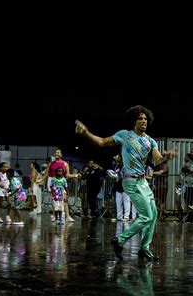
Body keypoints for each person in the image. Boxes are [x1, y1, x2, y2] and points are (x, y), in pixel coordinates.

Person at [75, 105, 176, 261]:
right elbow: (102, 142)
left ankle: (144, 249)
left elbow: (158, 160)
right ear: (134, 121)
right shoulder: (124, 135)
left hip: (142, 181)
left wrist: (167, 157)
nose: (144, 121)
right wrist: (86, 132)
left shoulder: (150, 141)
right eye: (140, 118)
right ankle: (120, 240)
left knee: (153, 214)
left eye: (146, 119)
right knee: (146, 216)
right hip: (130, 181)